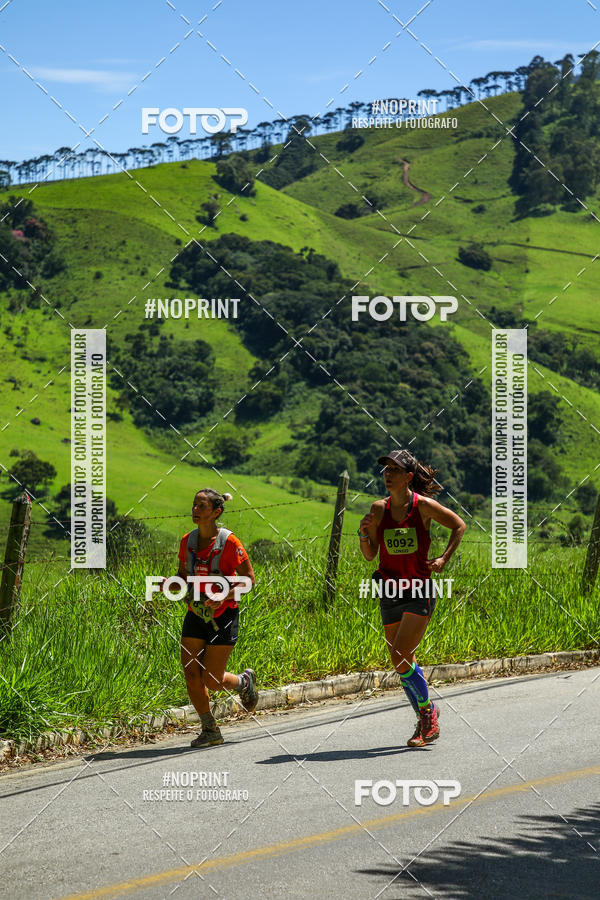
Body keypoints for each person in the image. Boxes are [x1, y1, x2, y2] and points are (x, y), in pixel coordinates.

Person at [359, 449, 466, 748]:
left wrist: (444, 558)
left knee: (400, 656)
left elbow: (459, 525)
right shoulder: (378, 509)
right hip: (389, 592)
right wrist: (363, 533)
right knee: (402, 661)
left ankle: (428, 714)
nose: (387, 474)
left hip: (419, 591)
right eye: (385, 470)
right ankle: (425, 718)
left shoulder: (424, 507)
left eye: (394, 470)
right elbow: (370, 556)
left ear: (408, 477)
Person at [171, 488, 258, 748]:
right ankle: (210, 729)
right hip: (196, 612)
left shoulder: (230, 543)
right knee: (190, 673)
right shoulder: (188, 541)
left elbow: (250, 580)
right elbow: (182, 578)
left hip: (224, 614)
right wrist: (170, 584)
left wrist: (225, 595)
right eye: (194, 505)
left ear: (216, 512)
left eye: (202, 507)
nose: (195, 511)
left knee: (212, 678)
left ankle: (244, 681)